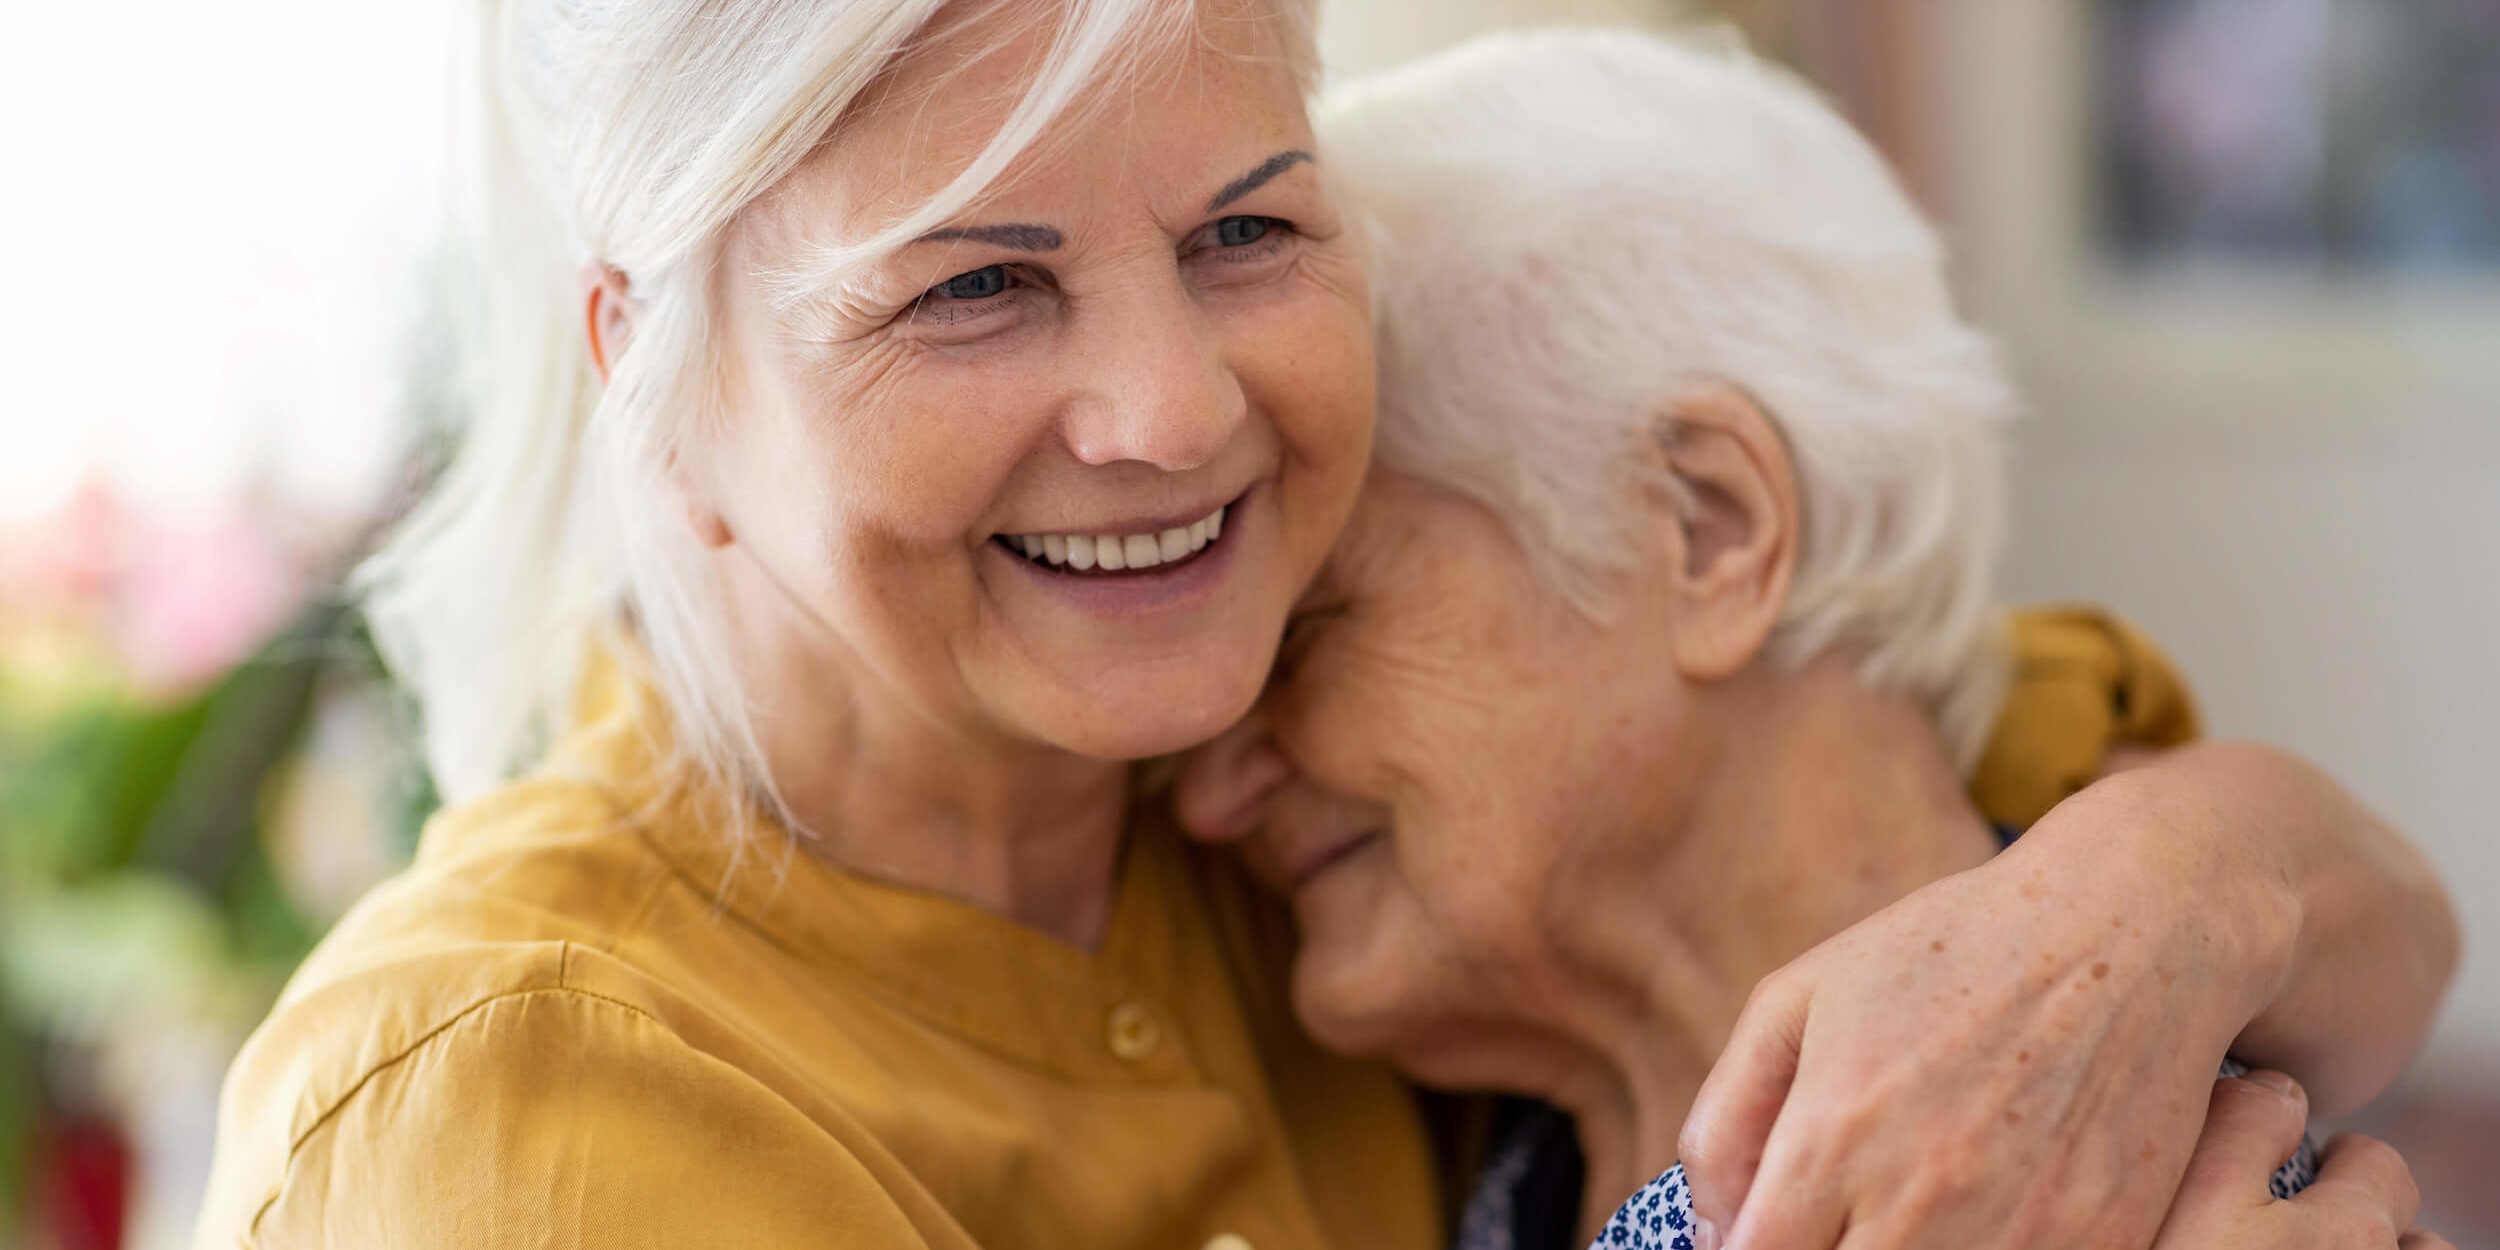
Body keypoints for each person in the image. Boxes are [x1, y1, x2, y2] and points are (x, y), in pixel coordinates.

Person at [191, 4, 2449, 1248]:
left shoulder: (1229, 811)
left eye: (1250, 231)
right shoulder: (512, 1115)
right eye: (975, 281)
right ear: (648, 367)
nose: (1171, 415)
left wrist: (2167, 904)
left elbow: (2134, 825)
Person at [1173, 29, 2461, 1250]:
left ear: (1712, 527)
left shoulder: (2123, 1160)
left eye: (1308, 632)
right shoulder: (1483, 1148)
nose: (1211, 787)